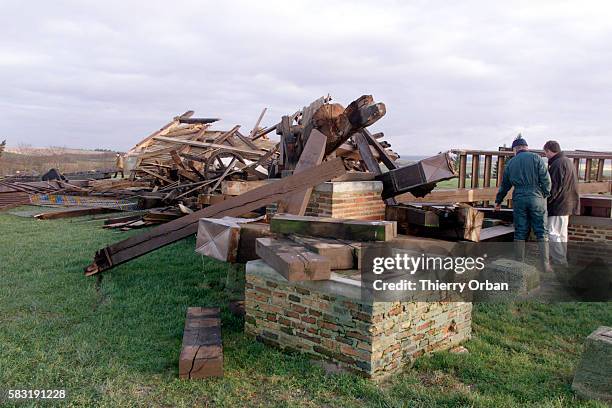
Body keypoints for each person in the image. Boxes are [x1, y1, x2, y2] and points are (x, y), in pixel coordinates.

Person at [494, 135, 552, 271]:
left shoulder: (511, 163)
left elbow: (504, 186)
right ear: (526, 147)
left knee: (520, 230)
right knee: (541, 231)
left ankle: (519, 263)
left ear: (515, 149)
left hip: (519, 197)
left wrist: (498, 201)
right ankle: (545, 264)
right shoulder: (536, 158)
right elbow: (546, 179)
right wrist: (545, 193)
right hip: (536, 197)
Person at [543, 140, 579, 265]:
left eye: (545, 153)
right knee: (562, 235)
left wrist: (546, 202)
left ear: (548, 150)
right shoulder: (568, 161)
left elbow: (554, 188)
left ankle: (560, 262)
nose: (545, 156)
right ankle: (563, 259)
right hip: (568, 204)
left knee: (553, 234)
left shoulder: (557, 164)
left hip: (558, 205)